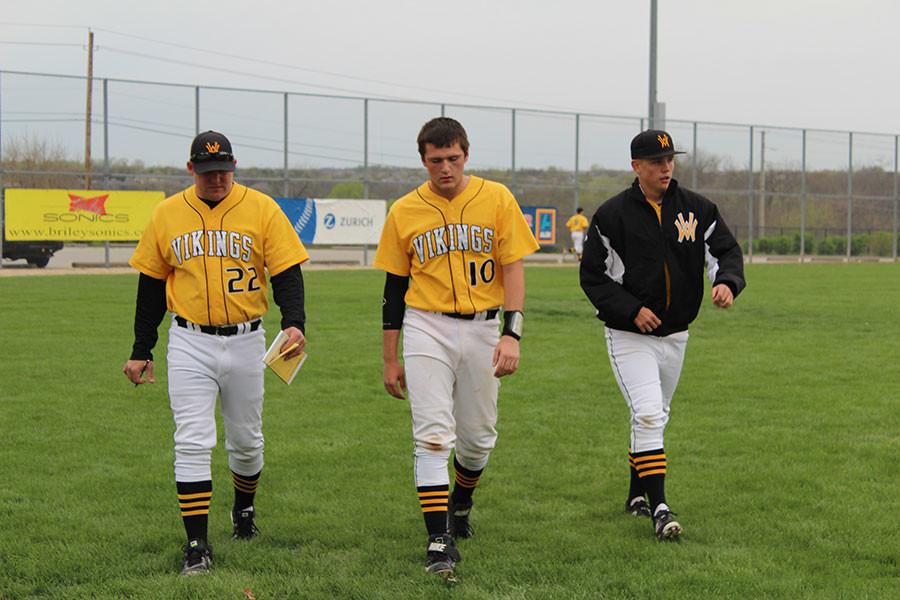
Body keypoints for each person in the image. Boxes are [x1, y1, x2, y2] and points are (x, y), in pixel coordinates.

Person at [122, 131, 309, 575]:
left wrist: (294, 322)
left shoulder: (262, 209)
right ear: (191, 170)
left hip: (247, 339)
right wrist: (141, 348)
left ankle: (244, 510)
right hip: (189, 341)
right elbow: (150, 287)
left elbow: (285, 272)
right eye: (207, 172)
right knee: (191, 440)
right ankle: (196, 545)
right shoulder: (167, 214)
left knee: (246, 443)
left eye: (224, 169)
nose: (217, 179)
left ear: (235, 165)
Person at [375, 117, 539, 581]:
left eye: (452, 158)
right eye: (435, 160)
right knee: (432, 434)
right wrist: (390, 357)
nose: (445, 167)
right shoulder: (405, 210)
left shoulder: (497, 198)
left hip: (486, 326)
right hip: (427, 324)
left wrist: (513, 333)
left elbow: (514, 269)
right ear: (422, 159)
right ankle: (438, 538)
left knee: (479, 438)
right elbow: (393, 289)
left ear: (466, 154)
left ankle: (460, 503)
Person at [579, 129, 745, 541]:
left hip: (676, 335)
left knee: (655, 417)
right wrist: (631, 310)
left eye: (669, 159)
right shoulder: (611, 215)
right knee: (649, 413)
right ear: (636, 166)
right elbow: (593, 276)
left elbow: (726, 251)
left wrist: (726, 281)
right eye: (655, 161)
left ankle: (637, 493)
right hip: (628, 335)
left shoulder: (698, 209)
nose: (665, 167)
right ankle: (660, 509)